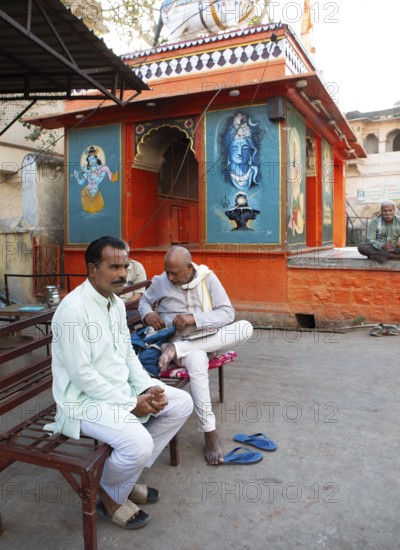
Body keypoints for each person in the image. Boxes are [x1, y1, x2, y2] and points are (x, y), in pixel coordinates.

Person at [45, 236, 193, 530]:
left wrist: (147, 388)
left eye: (125, 266)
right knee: (138, 443)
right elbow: (82, 375)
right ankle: (110, 497)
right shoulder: (74, 310)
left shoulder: (113, 303)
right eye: (114, 267)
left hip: (118, 391)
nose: (123, 274)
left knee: (180, 403)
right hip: (82, 401)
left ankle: (121, 483)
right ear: (91, 269)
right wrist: (130, 403)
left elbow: (126, 354)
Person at [138, 246, 254, 465]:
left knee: (245, 327)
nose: (170, 278)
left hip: (209, 338)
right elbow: (144, 301)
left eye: (175, 273)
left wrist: (194, 318)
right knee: (197, 360)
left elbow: (227, 313)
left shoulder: (207, 278)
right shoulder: (161, 281)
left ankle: (178, 350)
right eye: (167, 272)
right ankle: (210, 433)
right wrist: (148, 314)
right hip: (178, 340)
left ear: (189, 268)